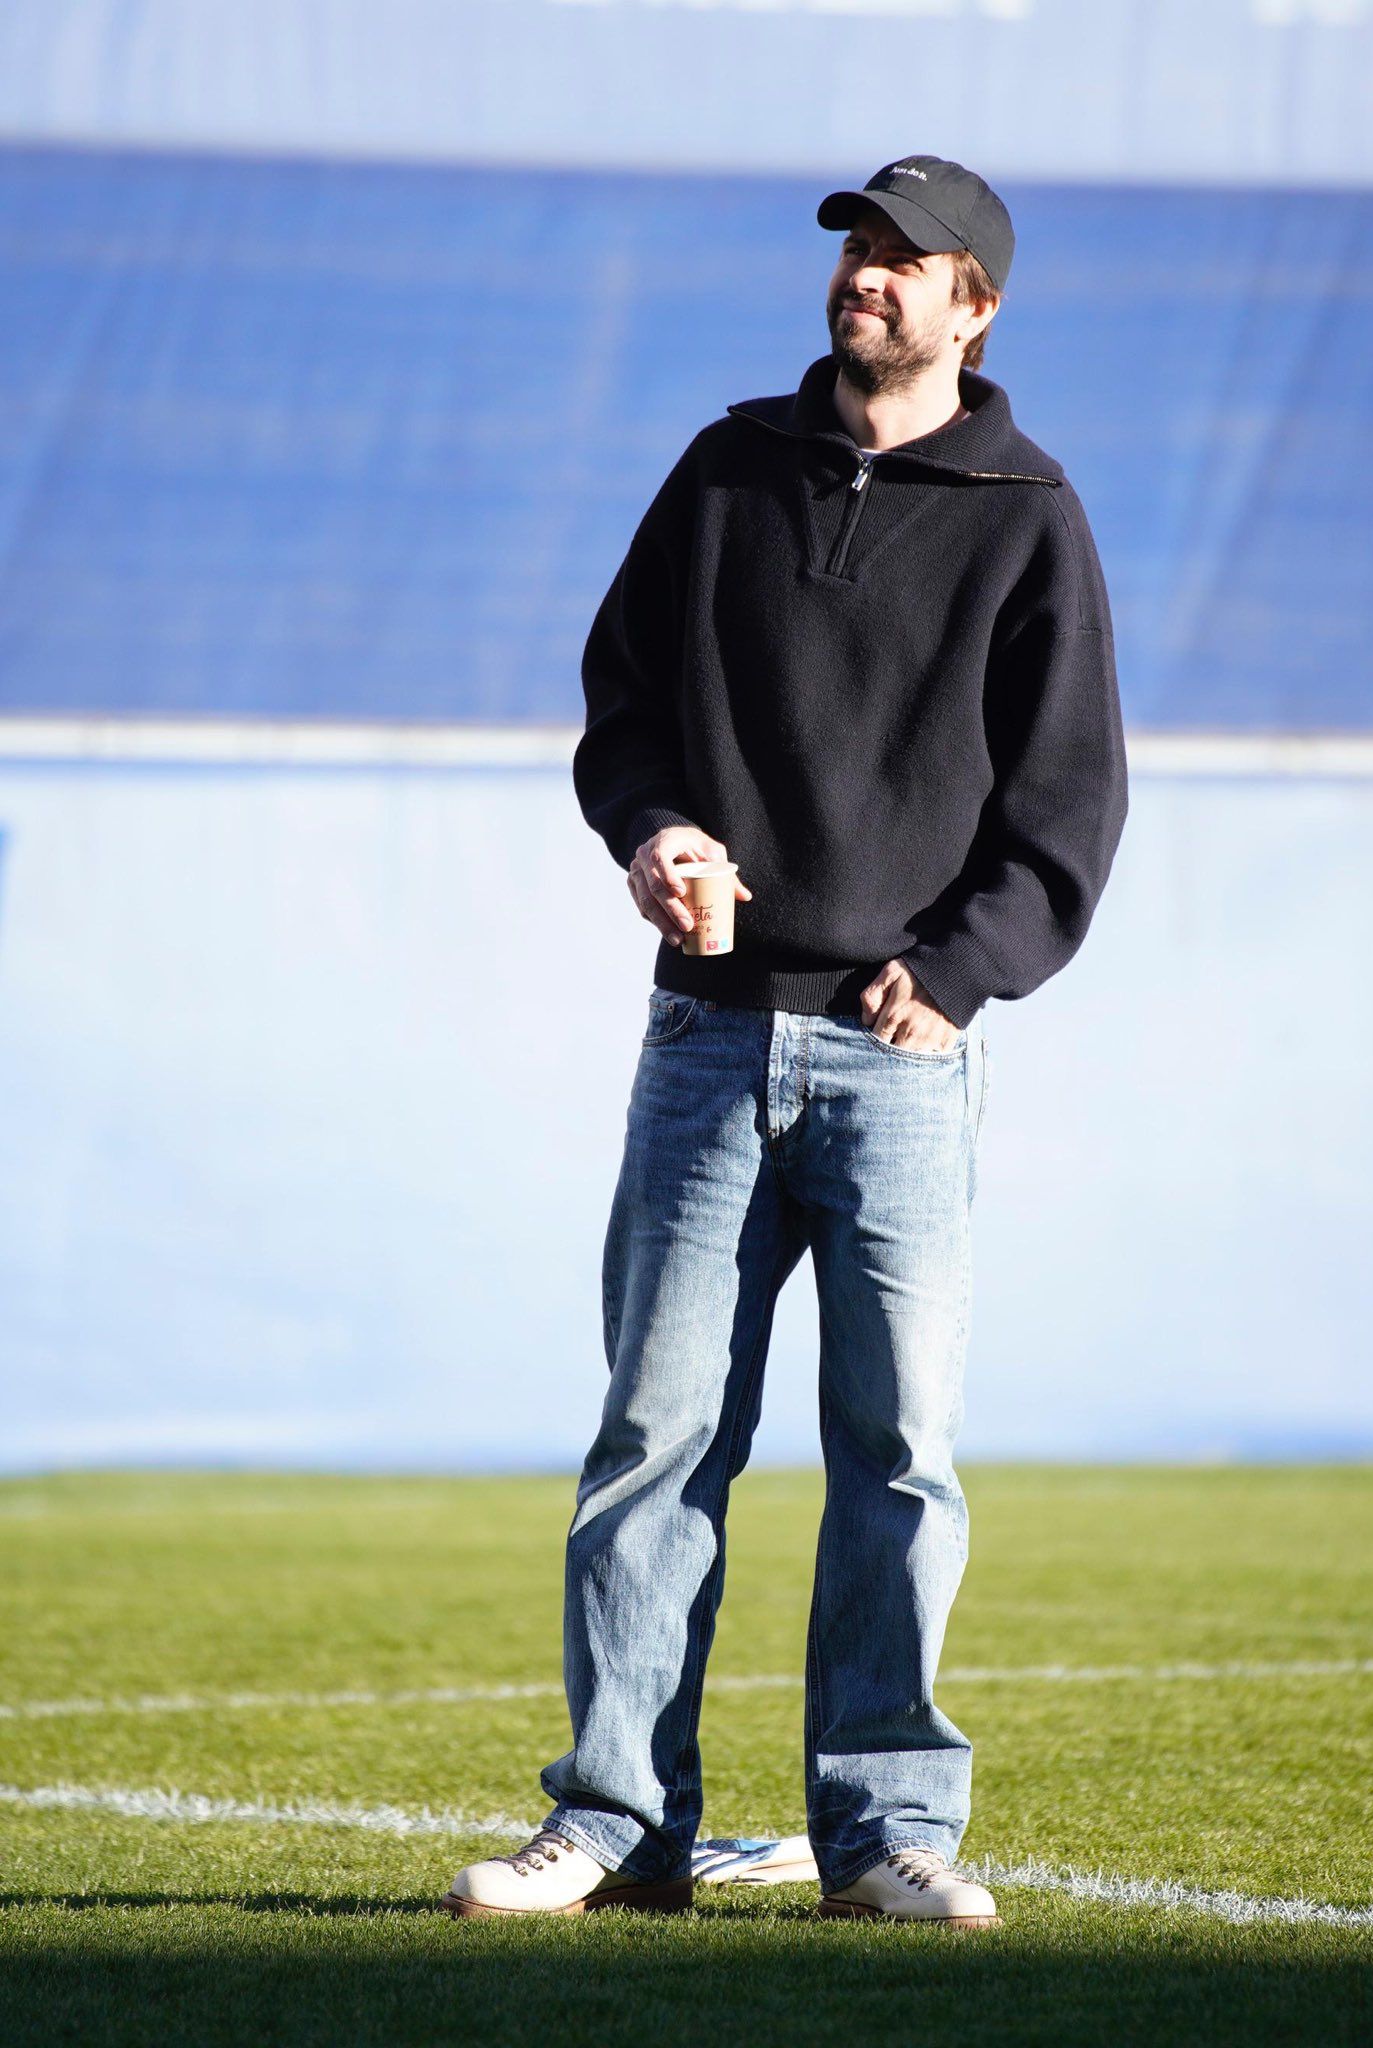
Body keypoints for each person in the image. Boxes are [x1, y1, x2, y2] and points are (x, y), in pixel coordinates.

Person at [443, 154, 1128, 1929]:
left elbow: (1068, 810)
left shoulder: (1026, 510)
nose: (869, 281)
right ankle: (614, 1823)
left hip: (902, 1060)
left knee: (897, 1453)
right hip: (705, 1046)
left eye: (910, 262)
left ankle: (890, 1832)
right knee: (656, 1440)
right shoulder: (727, 469)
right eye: (858, 254)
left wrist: (966, 969)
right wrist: (656, 830)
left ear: (978, 305)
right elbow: (624, 704)